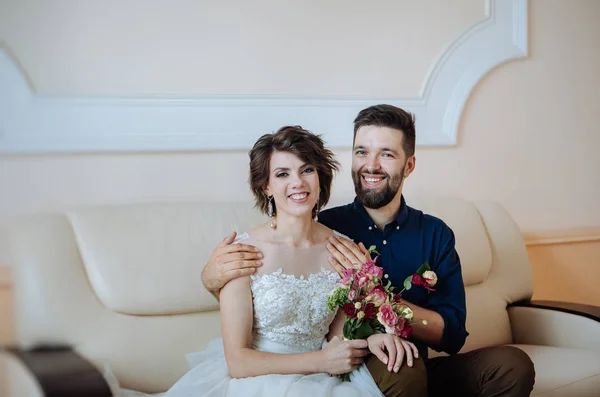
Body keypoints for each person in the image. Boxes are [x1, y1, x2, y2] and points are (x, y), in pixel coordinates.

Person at [202, 105, 536, 397]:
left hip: (416, 360)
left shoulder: (434, 233)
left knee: (510, 365)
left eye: (386, 154)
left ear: (409, 165)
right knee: (401, 369)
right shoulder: (329, 231)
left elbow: (451, 335)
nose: (371, 165)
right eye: (362, 152)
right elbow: (272, 293)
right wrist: (211, 277)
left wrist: (381, 300)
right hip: (381, 368)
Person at [117, 125, 417, 397]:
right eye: (282, 174)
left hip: (324, 382)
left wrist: (371, 338)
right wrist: (319, 361)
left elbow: (337, 336)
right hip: (257, 381)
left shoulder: (343, 249)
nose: (298, 183)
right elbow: (237, 361)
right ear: (266, 187)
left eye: (307, 170)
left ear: (320, 177)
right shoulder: (243, 252)